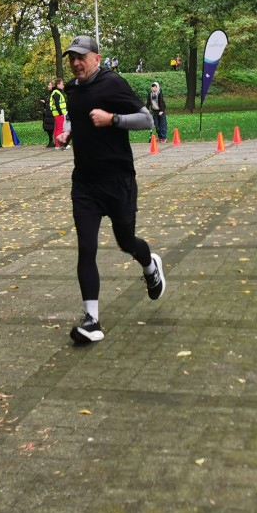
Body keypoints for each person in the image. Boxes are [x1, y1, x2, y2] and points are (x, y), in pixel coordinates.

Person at [55, 35, 166, 346]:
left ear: (96, 58)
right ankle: (92, 319)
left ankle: (149, 265)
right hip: (85, 184)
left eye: (81, 56)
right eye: (71, 58)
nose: (76, 62)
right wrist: (69, 134)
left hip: (118, 180)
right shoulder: (73, 91)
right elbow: (82, 120)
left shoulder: (113, 83)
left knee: (126, 241)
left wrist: (113, 119)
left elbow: (146, 120)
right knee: (86, 247)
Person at [49, 78, 67, 149]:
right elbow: (57, 104)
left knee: (57, 129)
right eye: (62, 84)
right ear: (58, 84)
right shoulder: (57, 93)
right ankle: (59, 144)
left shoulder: (56, 92)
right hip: (59, 114)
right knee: (60, 129)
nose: (63, 86)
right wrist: (60, 113)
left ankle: (57, 144)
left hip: (56, 114)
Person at [40, 81, 56, 148]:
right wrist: (44, 103)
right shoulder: (49, 94)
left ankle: (54, 142)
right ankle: (51, 141)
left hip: (51, 114)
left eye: (49, 85)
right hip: (48, 114)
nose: (48, 86)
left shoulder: (54, 93)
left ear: (53, 86)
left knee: (52, 128)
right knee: (49, 129)